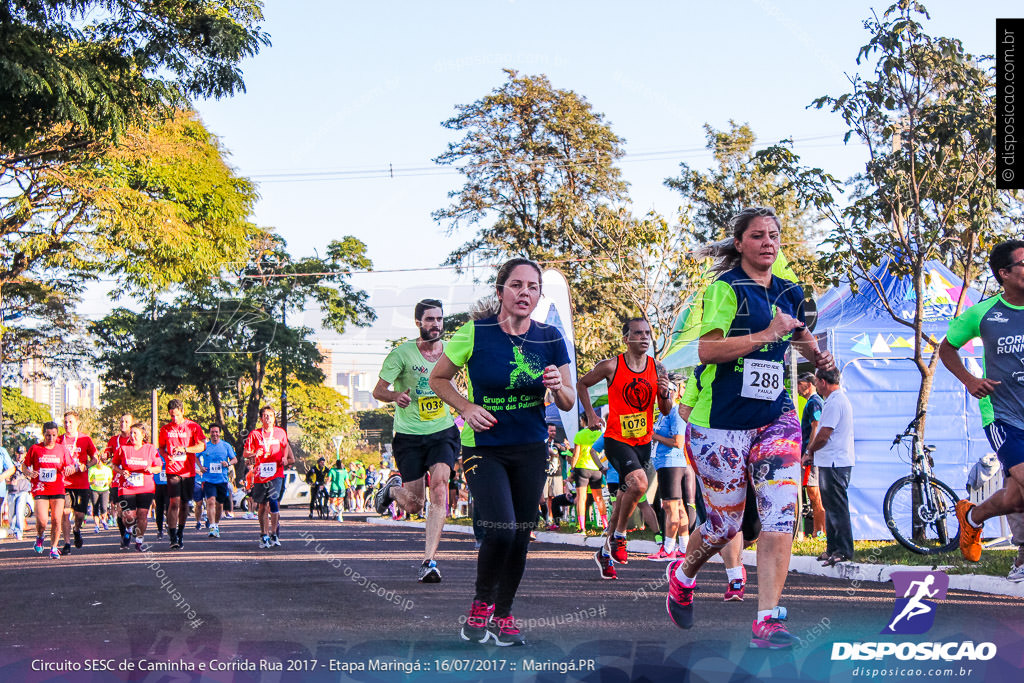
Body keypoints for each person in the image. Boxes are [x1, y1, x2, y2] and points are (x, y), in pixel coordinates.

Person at [664, 207, 834, 649]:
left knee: (781, 516)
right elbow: (707, 350)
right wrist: (765, 334)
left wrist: (818, 356)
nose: (768, 243)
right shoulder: (725, 289)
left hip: (776, 419)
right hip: (720, 423)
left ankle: (767, 621)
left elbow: (797, 335)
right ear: (739, 243)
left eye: (774, 235)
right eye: (757, 236)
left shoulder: (789, 290)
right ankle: (683, 577)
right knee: (725, 525)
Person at [430, 257, 575, 647]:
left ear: (539, 295)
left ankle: (503, 613)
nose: (524, 292)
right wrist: (466, 407)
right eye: (516, 285)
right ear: (500, 292)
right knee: (501, 528)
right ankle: (482, 604)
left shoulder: (549, 337)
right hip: (485, 447)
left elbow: (567, 401)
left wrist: (558, 385)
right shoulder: (475, 333)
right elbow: (437, 377)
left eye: (532, 287)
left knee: (521, 534)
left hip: (529, 447)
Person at [939, 239, 1024, 563]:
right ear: (1004, 273)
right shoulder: (983, 313)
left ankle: (972, 517)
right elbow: (947, 348)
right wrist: (970, 380)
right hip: (1003, 416)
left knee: (1016, 500)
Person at [372, 298, 460, 583]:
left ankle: (429, 560)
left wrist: (466, 408)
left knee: (440, 485)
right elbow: (378, 390)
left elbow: (455, 385)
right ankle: (391, 491)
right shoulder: (402, 354)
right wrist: (395, 396)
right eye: (430, 319)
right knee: (413, 504)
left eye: (439, 319)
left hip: (442, 431)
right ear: (419, 323)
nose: (436, 324)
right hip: (409, 435)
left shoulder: (451, 352)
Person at [577, 317, 673, 577]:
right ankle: (620, 536)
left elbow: (665, 410)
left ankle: (604, 553)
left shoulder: (658, 368)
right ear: (626, 338)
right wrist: (591, 416)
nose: (644, 338)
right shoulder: (611, 366)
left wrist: (665, 395)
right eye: (638, 333)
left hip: (642, 442)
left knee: (622, 501)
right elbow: (582, 384)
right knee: (640, 485)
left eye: (647, 333)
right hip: (617, 439)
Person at [804, 368, 855, 565]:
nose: (815, 384)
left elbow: (824, 434)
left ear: (823, 382)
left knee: (837, 508)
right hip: (830, 461)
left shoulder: (836, 402)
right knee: (830, 506)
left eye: (816, 381)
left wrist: (810, 452)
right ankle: (832, 548)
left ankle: (843, 549)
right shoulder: (832, 401)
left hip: (835, 462)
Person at [647, 374, 692, 561]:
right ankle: (684, 548)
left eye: (664, 393)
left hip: (671, 463)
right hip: (666, 464)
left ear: (673, 393)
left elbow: (678, 442)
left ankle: (668, 549)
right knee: (678, 507)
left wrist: (653, 436)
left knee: (670, 507)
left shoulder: (675, 412)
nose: (661, 398)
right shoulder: (665, 413)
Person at [24, 422, 78, 558]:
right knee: (42, 521)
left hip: (57, 488)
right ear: (43, 435)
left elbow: (71, 465)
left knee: (56, 519)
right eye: (48, 435)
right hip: (40, 489)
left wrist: (70, 469)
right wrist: (29, 473)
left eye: (54, 435)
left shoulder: (62, 449)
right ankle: (40, 536)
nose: (51, 438)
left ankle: (54, 547)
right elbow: (25, 466)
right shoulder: (35, 449)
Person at [158, 399, 207, 550]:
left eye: (177, 415)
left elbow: (202, 445)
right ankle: (172, 536)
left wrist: (186, 449)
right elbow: (161, 448)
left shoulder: (193, 427)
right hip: (173, 470)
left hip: (188, 471)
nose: (174, 419)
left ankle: (180, 532)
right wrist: (167, 457)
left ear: (183, 412)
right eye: (172, 416)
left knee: (185, 504)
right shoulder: (165, 429)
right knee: (174, 502)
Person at [243, 405, 294, 548]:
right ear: (261, 419)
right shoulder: (254, 434)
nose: (268, 418)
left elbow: (285, 446)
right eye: (265, 415)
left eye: (270, 415)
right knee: (262, 506)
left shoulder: (280, 432)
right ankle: (263, 534)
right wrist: (254, 454)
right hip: (260, 474)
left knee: (273, 500)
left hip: (276, 473)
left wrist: (285, 459)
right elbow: (245, 454)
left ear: (274, 418)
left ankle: (274, 534)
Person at [111, 423, 162, 551]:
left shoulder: (150, 449)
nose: (132, 436)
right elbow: (114, 465)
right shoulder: (123, 448)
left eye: (135, 433)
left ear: (143, 435)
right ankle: (128, 529)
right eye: (131, 433)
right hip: (127, 486)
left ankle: (139, 541)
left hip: (146, 487)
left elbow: (158, 467)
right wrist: (122, 471)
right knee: (129, 516)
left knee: (142, 514)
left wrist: (151, 468)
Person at [56, 410, 98, 555]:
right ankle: (67, 544)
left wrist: (85, 466)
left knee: (80, 515)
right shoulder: (59, 440)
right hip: (64, 483)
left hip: (81, 483)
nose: (68, 425)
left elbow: (95, 458)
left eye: (71, 422)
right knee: (65, 513)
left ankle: (77, 529)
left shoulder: (85, 439)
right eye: (65, 422)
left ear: (77, 423)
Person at [797, 372, 826, 539]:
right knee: (812, 492)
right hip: (812, 454)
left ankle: (820, 532)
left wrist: (809, 452)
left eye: (799, 384)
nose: (798, 388)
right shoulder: (812, 402)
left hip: (812, 456)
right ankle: (818, 531)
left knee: (814, 493)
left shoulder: (815, 402)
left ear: (808, 384)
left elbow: (816, 426)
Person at [197, 424, 236, 538]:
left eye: (216, 432)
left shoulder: (226, 445)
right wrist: (200, 467)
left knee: (219, 505)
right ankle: (212, 526)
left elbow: (235, 459)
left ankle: (216, 524)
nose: (214, 434)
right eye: (212, 432)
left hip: (222, 479)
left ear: (219, 433)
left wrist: (228, 463)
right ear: (210, 433)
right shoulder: (205, 446)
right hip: (208, 479)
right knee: (210, 501)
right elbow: (195, 456)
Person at [570, 422, 607, 534]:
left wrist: (572, 469)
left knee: (581, 498)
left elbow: (576, 454)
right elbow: (602, 453)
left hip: (582, 469)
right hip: (596, 469)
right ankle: (606, 526)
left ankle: (582, 528)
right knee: (599, 498)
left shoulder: (580, 434)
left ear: (583, 421)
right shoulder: (600, 434)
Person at [104, 414, 134, 545]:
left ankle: (131, 527)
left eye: (127, 422)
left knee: (133, 510)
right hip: (118, 479)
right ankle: (125, 535)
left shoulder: (136, 439)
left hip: (134, 479)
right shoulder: (113, 440)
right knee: (120, 509)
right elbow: (107, 453)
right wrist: (104, 456)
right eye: (121, 421)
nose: (123, 423)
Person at [542, 424, 569, 531]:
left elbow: (567, 456)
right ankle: (545, 520)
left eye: (554, 431)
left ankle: (554, 520)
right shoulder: (542, 442)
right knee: (543, 498)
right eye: (550, 431)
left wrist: (568, 448)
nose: (553, 433)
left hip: (556, 475)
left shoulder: (558, 443)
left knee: (554, 498)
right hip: (543, 473)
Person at [7, 446, 33, 540]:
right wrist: (10, 480)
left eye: (22, 454)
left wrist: (24, 477)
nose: (20, 456)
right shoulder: (11, 463)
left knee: (19, 511)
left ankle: (19, 532)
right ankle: (12, 529)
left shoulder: (27, 464)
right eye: (18, 453)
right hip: (11, 491)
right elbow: (6, 475)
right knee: (11, 513)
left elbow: (31, 476)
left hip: (23, 491)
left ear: (25, 454)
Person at [87, 456, 112, 533]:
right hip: (94, 490)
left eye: (101, 461)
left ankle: (104, 520)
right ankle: (97, 526)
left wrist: (107, 483)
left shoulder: (107, 469)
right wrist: (92, 482)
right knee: (95, 508)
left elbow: (110, 479)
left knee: (104, 507)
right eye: (98, 461)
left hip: (104, 490)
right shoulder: (92, 469)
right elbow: (88, 481)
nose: (99, 463)